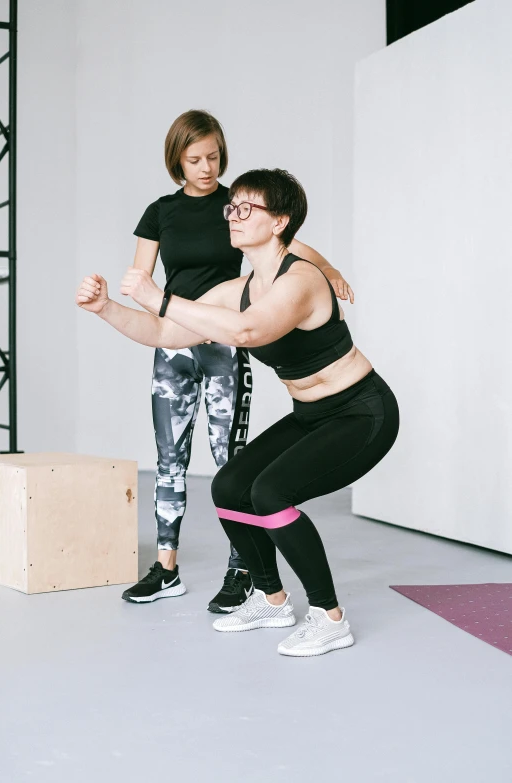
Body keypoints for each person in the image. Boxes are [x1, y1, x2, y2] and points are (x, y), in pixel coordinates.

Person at [76, 168, 398, 657]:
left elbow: (248, 332)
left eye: (248, 208)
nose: (234, 215)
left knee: (270, 493)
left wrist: (161, 296)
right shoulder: (238, 287)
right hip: (311, 414)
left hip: (361, 413)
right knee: (229, 487)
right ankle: (272, 600)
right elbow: (165, 333)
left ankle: (330, 617)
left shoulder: (302, 279)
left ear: (279, 221)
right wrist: (106, 309)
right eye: (233, 207)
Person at [122, 110, 354, 613]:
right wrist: (136, 307)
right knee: (169, 460)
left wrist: (330, 269)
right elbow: (143, 281)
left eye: (214, 157)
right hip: (175, 346)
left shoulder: (237, 207)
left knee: (231, 463)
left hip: (227, 344)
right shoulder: (160, 212)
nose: (207, 168)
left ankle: (242, 571)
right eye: (195, 159)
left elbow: (288, 242)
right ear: (176, 161)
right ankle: (165, 568)